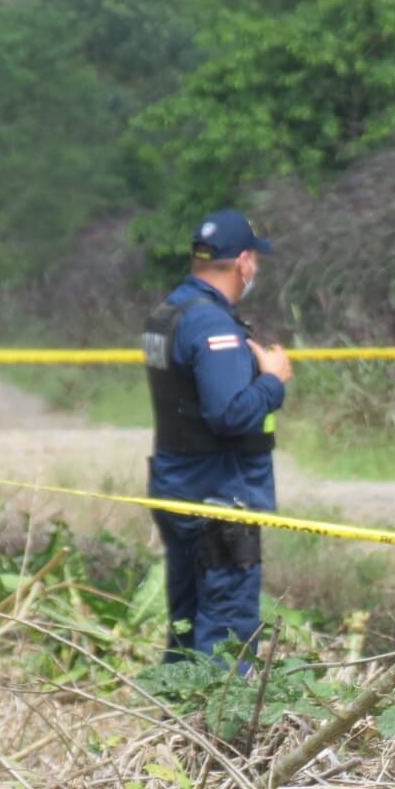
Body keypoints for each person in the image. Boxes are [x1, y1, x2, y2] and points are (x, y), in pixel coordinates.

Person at [144, 209, 293, 664]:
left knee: (187, 625)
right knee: (227, 633)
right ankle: (218, 734)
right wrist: (273, 380)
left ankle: (174, 731)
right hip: (219, 498)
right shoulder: (212, 324)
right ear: (244, 262)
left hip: (180, 486)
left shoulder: (169, 311)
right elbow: (228, 414)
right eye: (255, 263)